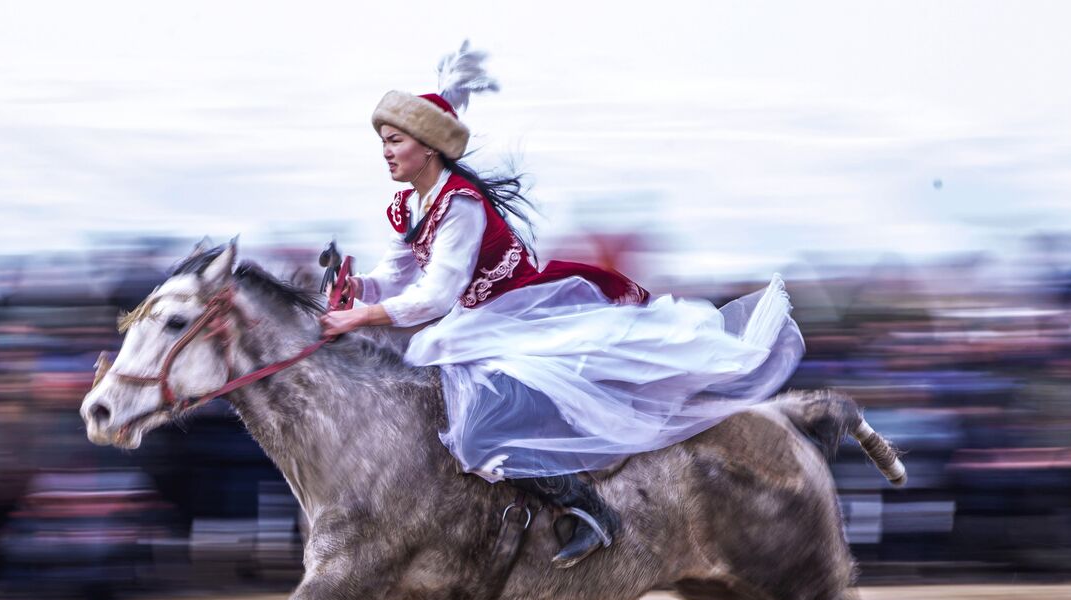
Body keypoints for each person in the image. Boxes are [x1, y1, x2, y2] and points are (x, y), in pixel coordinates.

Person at [320, 42, 804, 568]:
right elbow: (397, 276)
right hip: (477, 321)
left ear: (429, 147)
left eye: (394, 141)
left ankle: (591, 511)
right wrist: (360, 290)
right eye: (383, 142)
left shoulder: (459, 204)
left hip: (515, 315)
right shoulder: (410, 204)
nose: (386, 151)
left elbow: (436, 294)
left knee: (479, 426)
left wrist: (361, 316)